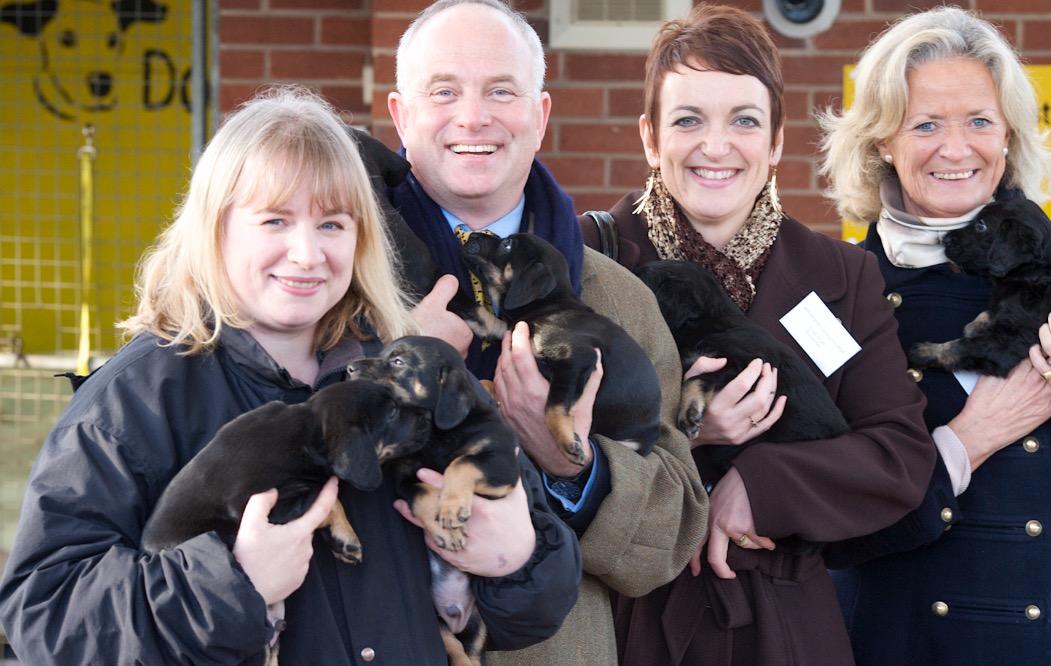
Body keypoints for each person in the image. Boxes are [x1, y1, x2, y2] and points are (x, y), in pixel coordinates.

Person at [0, 85, 580, 665]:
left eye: (332, 225)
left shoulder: (403, 377)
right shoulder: (136, 401)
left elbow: (540, 602)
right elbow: (43, 612)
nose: (306, 253)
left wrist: (519, 556)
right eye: (275, 221)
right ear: (216, 228)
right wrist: (231, 583)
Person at [817, 7, 1051, 665]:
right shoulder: (833, 291)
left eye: (979, 122)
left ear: (1009, 134)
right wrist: (971, 438)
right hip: (893, 645)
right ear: (879, 140)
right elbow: (823, 522)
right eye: (926, 124)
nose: (957, 150)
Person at [575, 6, 936, 664]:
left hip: (785, 631)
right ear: (651, 138)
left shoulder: (842, 275)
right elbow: (545, 439)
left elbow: (899, 457)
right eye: (688, 120)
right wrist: (688, 434)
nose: (716, 146)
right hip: (626, 627)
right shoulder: (588, 261)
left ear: (774, 142)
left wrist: (762, 486)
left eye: (744, 120)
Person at [379, 0, 710, 663]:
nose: (473, 116)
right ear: (400, 116)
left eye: (501, 91)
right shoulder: (334, 281)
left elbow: (674, 532)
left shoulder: (616, 300)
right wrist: (395, 366)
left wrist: (572, 464)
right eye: (444, 91)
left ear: (540, 116)